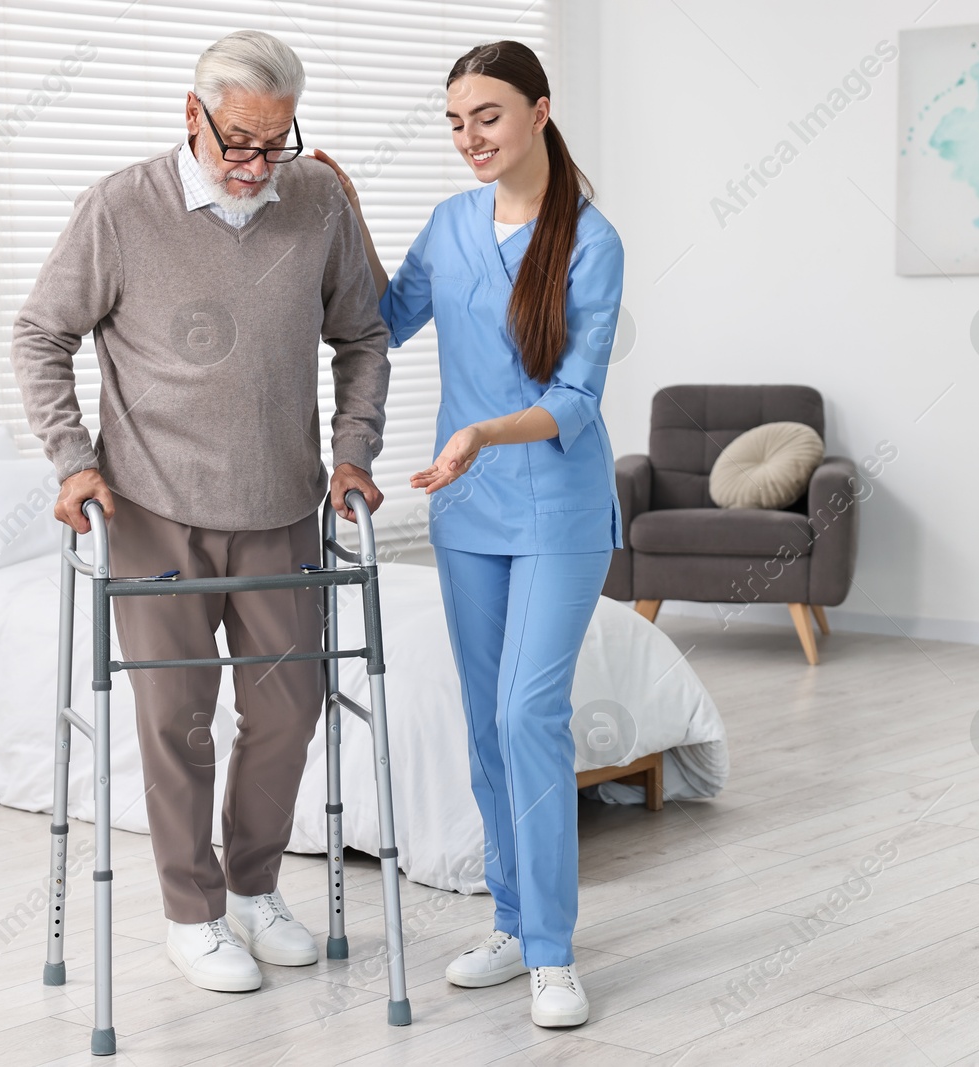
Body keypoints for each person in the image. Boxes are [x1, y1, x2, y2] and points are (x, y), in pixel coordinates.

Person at [12, 29, 390, 994]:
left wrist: (354, 453)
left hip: (278, 504)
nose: (258, 166)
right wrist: (72, 460)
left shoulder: (316, 200)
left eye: (276, 143)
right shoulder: (121, 207)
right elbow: (40, 333)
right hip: (150, 506)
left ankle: (256, 890)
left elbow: (364, 332)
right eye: (239, 143)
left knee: (288, 709)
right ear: (193, 116)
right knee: (177, 719)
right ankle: (194, 911)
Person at [316, 39, 625, 1028]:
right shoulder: (450, 225)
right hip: (468, 515)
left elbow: (575, 398)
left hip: (556, 508)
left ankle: (552, 952)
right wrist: (348, 210)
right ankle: (508, 915)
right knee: (487, 719)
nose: (468, 138)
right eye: (454, 121)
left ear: (540, 110)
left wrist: (482, 431)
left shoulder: (591, 240)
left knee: (531, 712)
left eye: (485, 115)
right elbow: (381, 318)